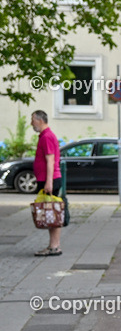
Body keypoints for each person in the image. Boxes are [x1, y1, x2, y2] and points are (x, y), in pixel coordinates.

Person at [31, 110, 63, 256]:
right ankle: (53, 246)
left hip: (49, 179)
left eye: (33, 120)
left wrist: (48, 182)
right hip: (47, 179)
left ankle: (55, 246)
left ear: (40, 120)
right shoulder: (45, 136)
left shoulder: (47, 137)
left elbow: (50, 160)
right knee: (51, 212)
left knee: (52, 212)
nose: (31, 123)